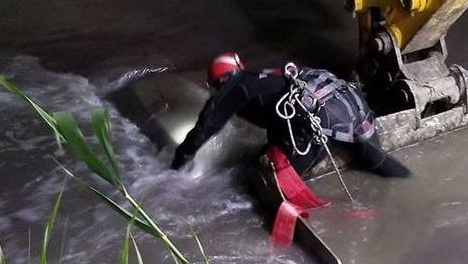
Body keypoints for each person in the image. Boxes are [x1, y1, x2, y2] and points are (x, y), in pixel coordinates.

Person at [171, 52, 411, 178]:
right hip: (355, 114)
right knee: (378, 162)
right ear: (240, 68)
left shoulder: (231, 90)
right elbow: (278, 114)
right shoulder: (265, 77)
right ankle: (406, 179)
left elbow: (201, 133)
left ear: (212, 83)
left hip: (320, 127)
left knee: (264, 175)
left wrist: (174, 170)